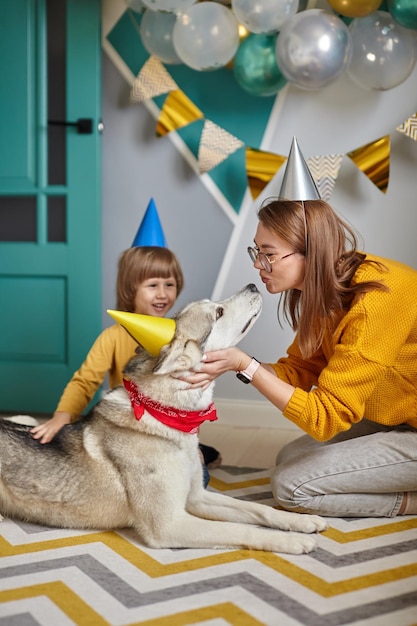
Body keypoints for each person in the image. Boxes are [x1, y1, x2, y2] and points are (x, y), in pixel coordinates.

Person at [183, 140, 417, 518]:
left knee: (292, 487)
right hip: (395, 417)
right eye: (256, 251)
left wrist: (247, 366)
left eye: (268, 254)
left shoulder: (379, 297)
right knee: (289, 457)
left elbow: (325, 418)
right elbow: (302, 370)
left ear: (311, 250)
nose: (258, 264)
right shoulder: (324, 293)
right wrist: (233, 363)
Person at [30, 246, 221, 483]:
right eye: (153, 285)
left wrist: (191, 445)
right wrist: (62, 417)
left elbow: (190, 396)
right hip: (129, 430)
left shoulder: (181, 337)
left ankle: (201, 450)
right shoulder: (112, 337)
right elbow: (85, 381)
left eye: (169, 284)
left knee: (197, 481)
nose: (162, 293)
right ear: (131, 290)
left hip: (171, 430)